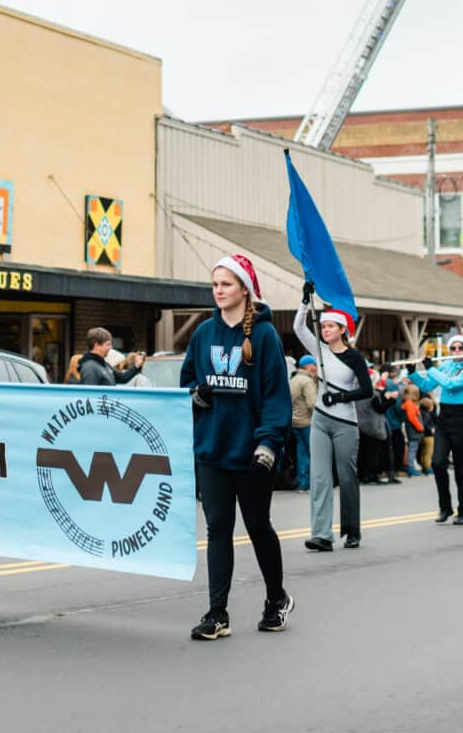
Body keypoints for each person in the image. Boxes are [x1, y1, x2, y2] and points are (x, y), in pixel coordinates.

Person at [181, 254, 292, 641]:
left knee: (258, 526)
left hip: (252, 452)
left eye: (226, 284)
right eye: (214, 284)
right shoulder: (202, 334)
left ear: (244, 289)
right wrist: (196, 395)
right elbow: (187, 385)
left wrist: (268, 443)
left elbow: (277, 395)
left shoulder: (263, 336)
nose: (218, 290)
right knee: (218, 529)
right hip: (212, 450)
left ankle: (276, 599)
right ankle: (217, 613)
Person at [294, 289, 371, 550]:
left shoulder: (354, 357)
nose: (325, 330)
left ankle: (352, 530)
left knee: (347, 476)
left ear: (342, 329)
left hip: (345, 424)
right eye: (323, 326)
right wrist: (305, 303)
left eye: (330, 326)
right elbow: (298, 328)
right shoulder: (319, 351)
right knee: (319, 477)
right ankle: (322, 535)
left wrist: (339, 398)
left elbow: (367, 390)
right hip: (320, 421)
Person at [411, 333, 463, 526]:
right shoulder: (445, 367)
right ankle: (445, 507)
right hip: (444, 419)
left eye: (461, 348)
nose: (456, 351)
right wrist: (413, 373)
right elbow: (427, 385)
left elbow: (451, 384)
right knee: (438, 463)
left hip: (462, 419)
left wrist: (431, 368)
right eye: (453, 348)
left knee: (461, 469)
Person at [288, 356, 317, 492]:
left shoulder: (293, 380)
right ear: (309, 366)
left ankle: (303, 483)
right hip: (307, 421)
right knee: (312, 453)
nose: (316, 368)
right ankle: (309, 483)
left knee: (301, 453)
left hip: (294, 421)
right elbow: (312, 403)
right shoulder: (307, 381)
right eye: (314, 365)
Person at [77, 328, 145, 385]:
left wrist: (137, 365)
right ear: (96, 345)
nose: (110, 347)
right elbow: (90, 396)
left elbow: (122, 378)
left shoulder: (103, 364)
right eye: (108, 344)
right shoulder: (89, 368)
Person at [401, 385, 424, 476]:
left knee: (412, 449)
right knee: (412, 450)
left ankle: (411, 467)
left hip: (411, 430)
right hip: (413, 430)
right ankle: (411, 468)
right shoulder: (410, 404)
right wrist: (420, 427)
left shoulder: (407, 403)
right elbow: (412, 418)